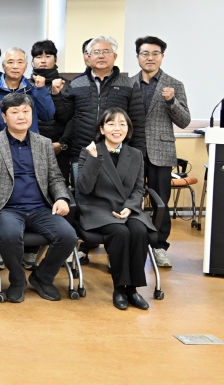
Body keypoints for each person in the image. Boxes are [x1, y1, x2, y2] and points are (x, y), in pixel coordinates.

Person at [0, 94, 77, 303]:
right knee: (11, 235)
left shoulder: (44, 143)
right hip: (7, 209)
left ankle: (42, 277)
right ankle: (17, 280)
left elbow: (55, 178)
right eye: (15, 112)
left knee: (68, 236)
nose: (21, 116)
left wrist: (62, 198)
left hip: (40, 208)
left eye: (26, 111)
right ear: (4, 117)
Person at [77, 108, 156, 310]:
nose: (117, 128)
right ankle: (120, 288)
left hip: (127, 209)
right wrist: (93, 159)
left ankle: (133, 289)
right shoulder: (90, 151)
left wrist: (130, 207)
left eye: (122, 124)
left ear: (128, 129)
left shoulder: (136, 154)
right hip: (98, 209)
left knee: (139, 231)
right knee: (120, 232)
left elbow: (139, 189)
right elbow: (84, 188)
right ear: (102, 129)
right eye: (111, 124)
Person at [51, 36, 146, 194]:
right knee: (83, 195)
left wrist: (139, 156)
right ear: (88, 57)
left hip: (118, 154)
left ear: (115, 56)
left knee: (114, 196)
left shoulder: (129, 85)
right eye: (96, 52)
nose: (101, 56)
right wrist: (56, 95)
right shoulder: (76, 84)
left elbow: (137, 122)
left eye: (106, 51)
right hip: (82, 152)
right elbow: (64, 117)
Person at [131, 36, 190, 268]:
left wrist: (171, 101)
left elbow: (184, 121)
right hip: (133, 151)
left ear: (162, 56)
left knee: (161, 202)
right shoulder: (128, 83)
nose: (150, 58)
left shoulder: (175, 85)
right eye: (145, 53)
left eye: (155, 53)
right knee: (130, 198)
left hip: (161, 151)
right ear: (138, 56)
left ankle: (159, 246)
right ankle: (130, 244)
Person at [0, 47, 55, 144]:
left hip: (30, 145)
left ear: (26, 66)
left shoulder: (33, 89)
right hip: (0, 146)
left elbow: (47, 116)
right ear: (3, 66)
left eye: (20, 62)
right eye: (10, 62)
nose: (15, 66)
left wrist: (40, 90)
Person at [30, 40, 70, 181]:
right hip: (30, 147)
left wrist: (62, 144)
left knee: (58, 186)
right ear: (32, 60)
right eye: (38, 57)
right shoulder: (26, 85)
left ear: (56, 59)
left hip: (58, 147)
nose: (43, 60)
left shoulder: (66, 85)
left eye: (48, 56)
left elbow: (70, 118)